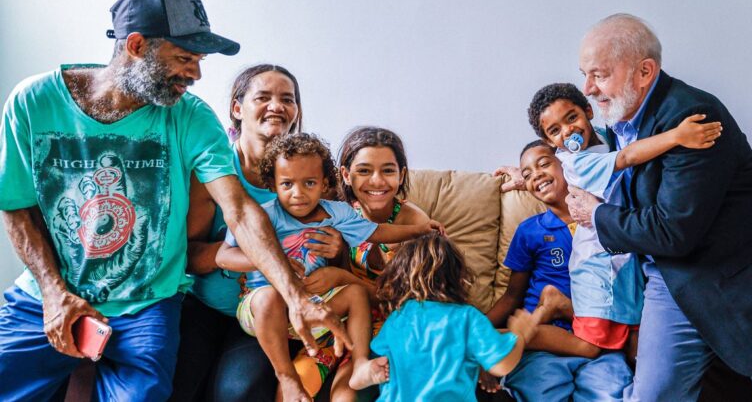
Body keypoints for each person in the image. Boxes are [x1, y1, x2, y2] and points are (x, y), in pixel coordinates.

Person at [0, 0, 348, 401]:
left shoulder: (192, 118)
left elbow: (238, 208)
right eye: (184, 58)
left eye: (198, 60)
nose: (196, 74)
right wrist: (54, 293)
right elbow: (16, 205)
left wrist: (295, 296)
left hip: (147, 306)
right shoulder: (32, 102)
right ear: (135, 45)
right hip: (45, 294)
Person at [567, 13, 752, 401]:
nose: (588, 88)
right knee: (652, 396)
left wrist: (594, 215)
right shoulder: (618, 119)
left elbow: (671, 230)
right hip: (668, 279)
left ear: (644, 71)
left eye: (599, 74)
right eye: (584, 74)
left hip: (735, 280)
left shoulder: (692, 117)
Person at [216, 133, 443, 402]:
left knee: (354, 294)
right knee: (269, 298)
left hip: (316, 307)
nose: (298, 194)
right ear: (272, 184)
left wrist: (418, 230)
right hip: (264, 310)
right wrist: (269, 258)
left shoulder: (336, 213)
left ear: (325, 184)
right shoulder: (262, 215)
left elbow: (376, 232)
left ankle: (359, 364)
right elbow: (223, 256)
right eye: (287, 184)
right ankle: (286, 377)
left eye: (309, 183)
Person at [171, 64, 350, 401]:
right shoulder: (214, 169)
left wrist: (336, 246)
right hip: (205, 307)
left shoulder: (312, 177)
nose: (277, 106)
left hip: (268, 317)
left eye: (287, 99)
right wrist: (261, 258)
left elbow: (337, 262)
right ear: (237, 109)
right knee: (177, 385)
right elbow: (189, 256)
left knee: (240, 392)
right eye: (263, 97)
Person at [527, 82, 721, 362]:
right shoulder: (577, 163)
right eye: (555, 131)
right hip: (595, 260)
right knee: (592, 344)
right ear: (550, 141)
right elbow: (628, 156)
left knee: (629, 331)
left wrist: (519, 177)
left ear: (589, 112)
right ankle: (525, 333)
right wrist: (677, 136)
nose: (568, 131)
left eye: (571, 118)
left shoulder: (606, 137)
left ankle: (565, 307)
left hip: (625, 253)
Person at [482, 141, 633, 401]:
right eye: (527, 174)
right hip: (541, 340)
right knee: (541, 392)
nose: (536, 175)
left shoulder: (605, 218)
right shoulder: (530, 230)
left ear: (568, 165)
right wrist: (475, 331)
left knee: (610, 392)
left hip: (598, 339)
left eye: (544, 164)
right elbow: (511, 297)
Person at [349, 232, 538, 401]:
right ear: (458, 277)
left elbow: (380, 357)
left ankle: (362, 372)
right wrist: (520, 335)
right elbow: (501, 365)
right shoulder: (467, 317)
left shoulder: (398, 317)